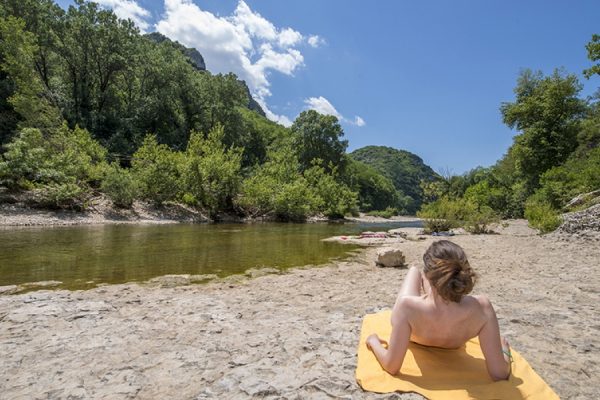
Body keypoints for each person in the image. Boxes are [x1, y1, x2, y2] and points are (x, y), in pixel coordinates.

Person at [366, 240, 512, 381]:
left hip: (417, 326)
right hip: (454, 342)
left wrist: (373, 342)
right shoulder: (482, 307)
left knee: (414, 271)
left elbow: (391, 366)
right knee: (438, 289)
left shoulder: (407, 307)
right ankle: (436, 286)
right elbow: (499, 374)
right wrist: (504, 350)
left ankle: (422, 276)